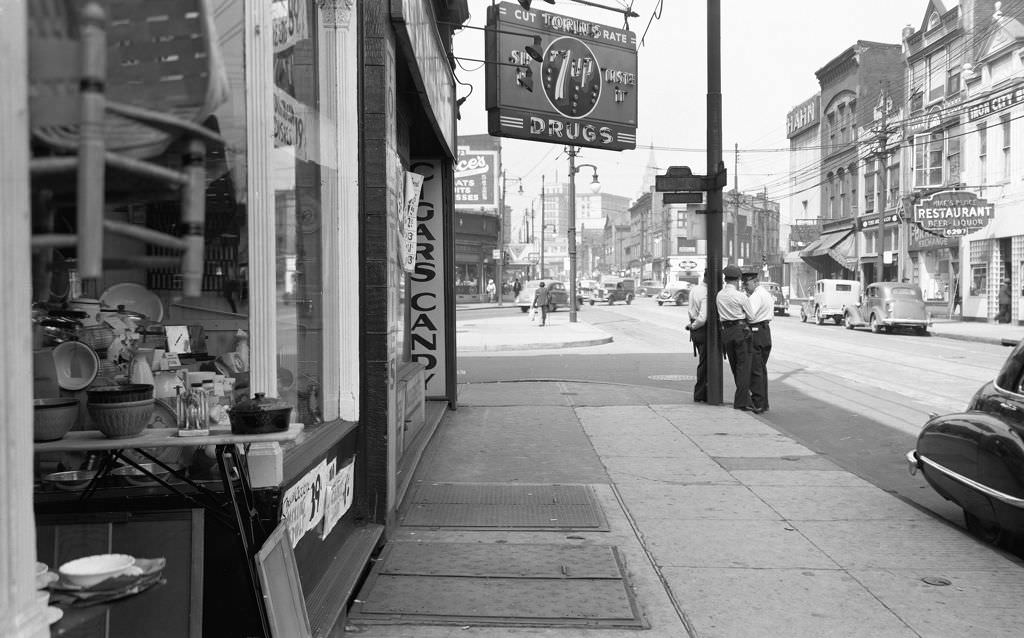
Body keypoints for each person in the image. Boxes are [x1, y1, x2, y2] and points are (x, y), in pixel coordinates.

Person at [716, 264, 757, 412]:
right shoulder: (740, 296)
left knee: (735, 367)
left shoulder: (719, 295)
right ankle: (741, 402)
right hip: (741, 332)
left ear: (725, 279)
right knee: (744, 368)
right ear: (738, 279)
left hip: (726, 333)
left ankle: (744, 399)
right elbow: (752, 317)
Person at [742, 269, 774, 413]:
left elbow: (750, 315)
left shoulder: (756, 296)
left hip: (756, 332)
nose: (744, 286)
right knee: (761, 369)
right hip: (765, 332)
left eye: (746, 283)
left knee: (755, 370)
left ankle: (758, 403)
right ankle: (764, 402)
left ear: (755, 282)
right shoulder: (766, 294)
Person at [684, 271, 709, 403]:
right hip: (702, 330)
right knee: (705, 364)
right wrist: (694, 326)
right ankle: (701, 393)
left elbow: (691, 310)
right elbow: (703, 318)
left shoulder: (695, 289)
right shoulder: (705, 292)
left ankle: (702, 393)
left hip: (696, 332)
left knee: (703, 362)